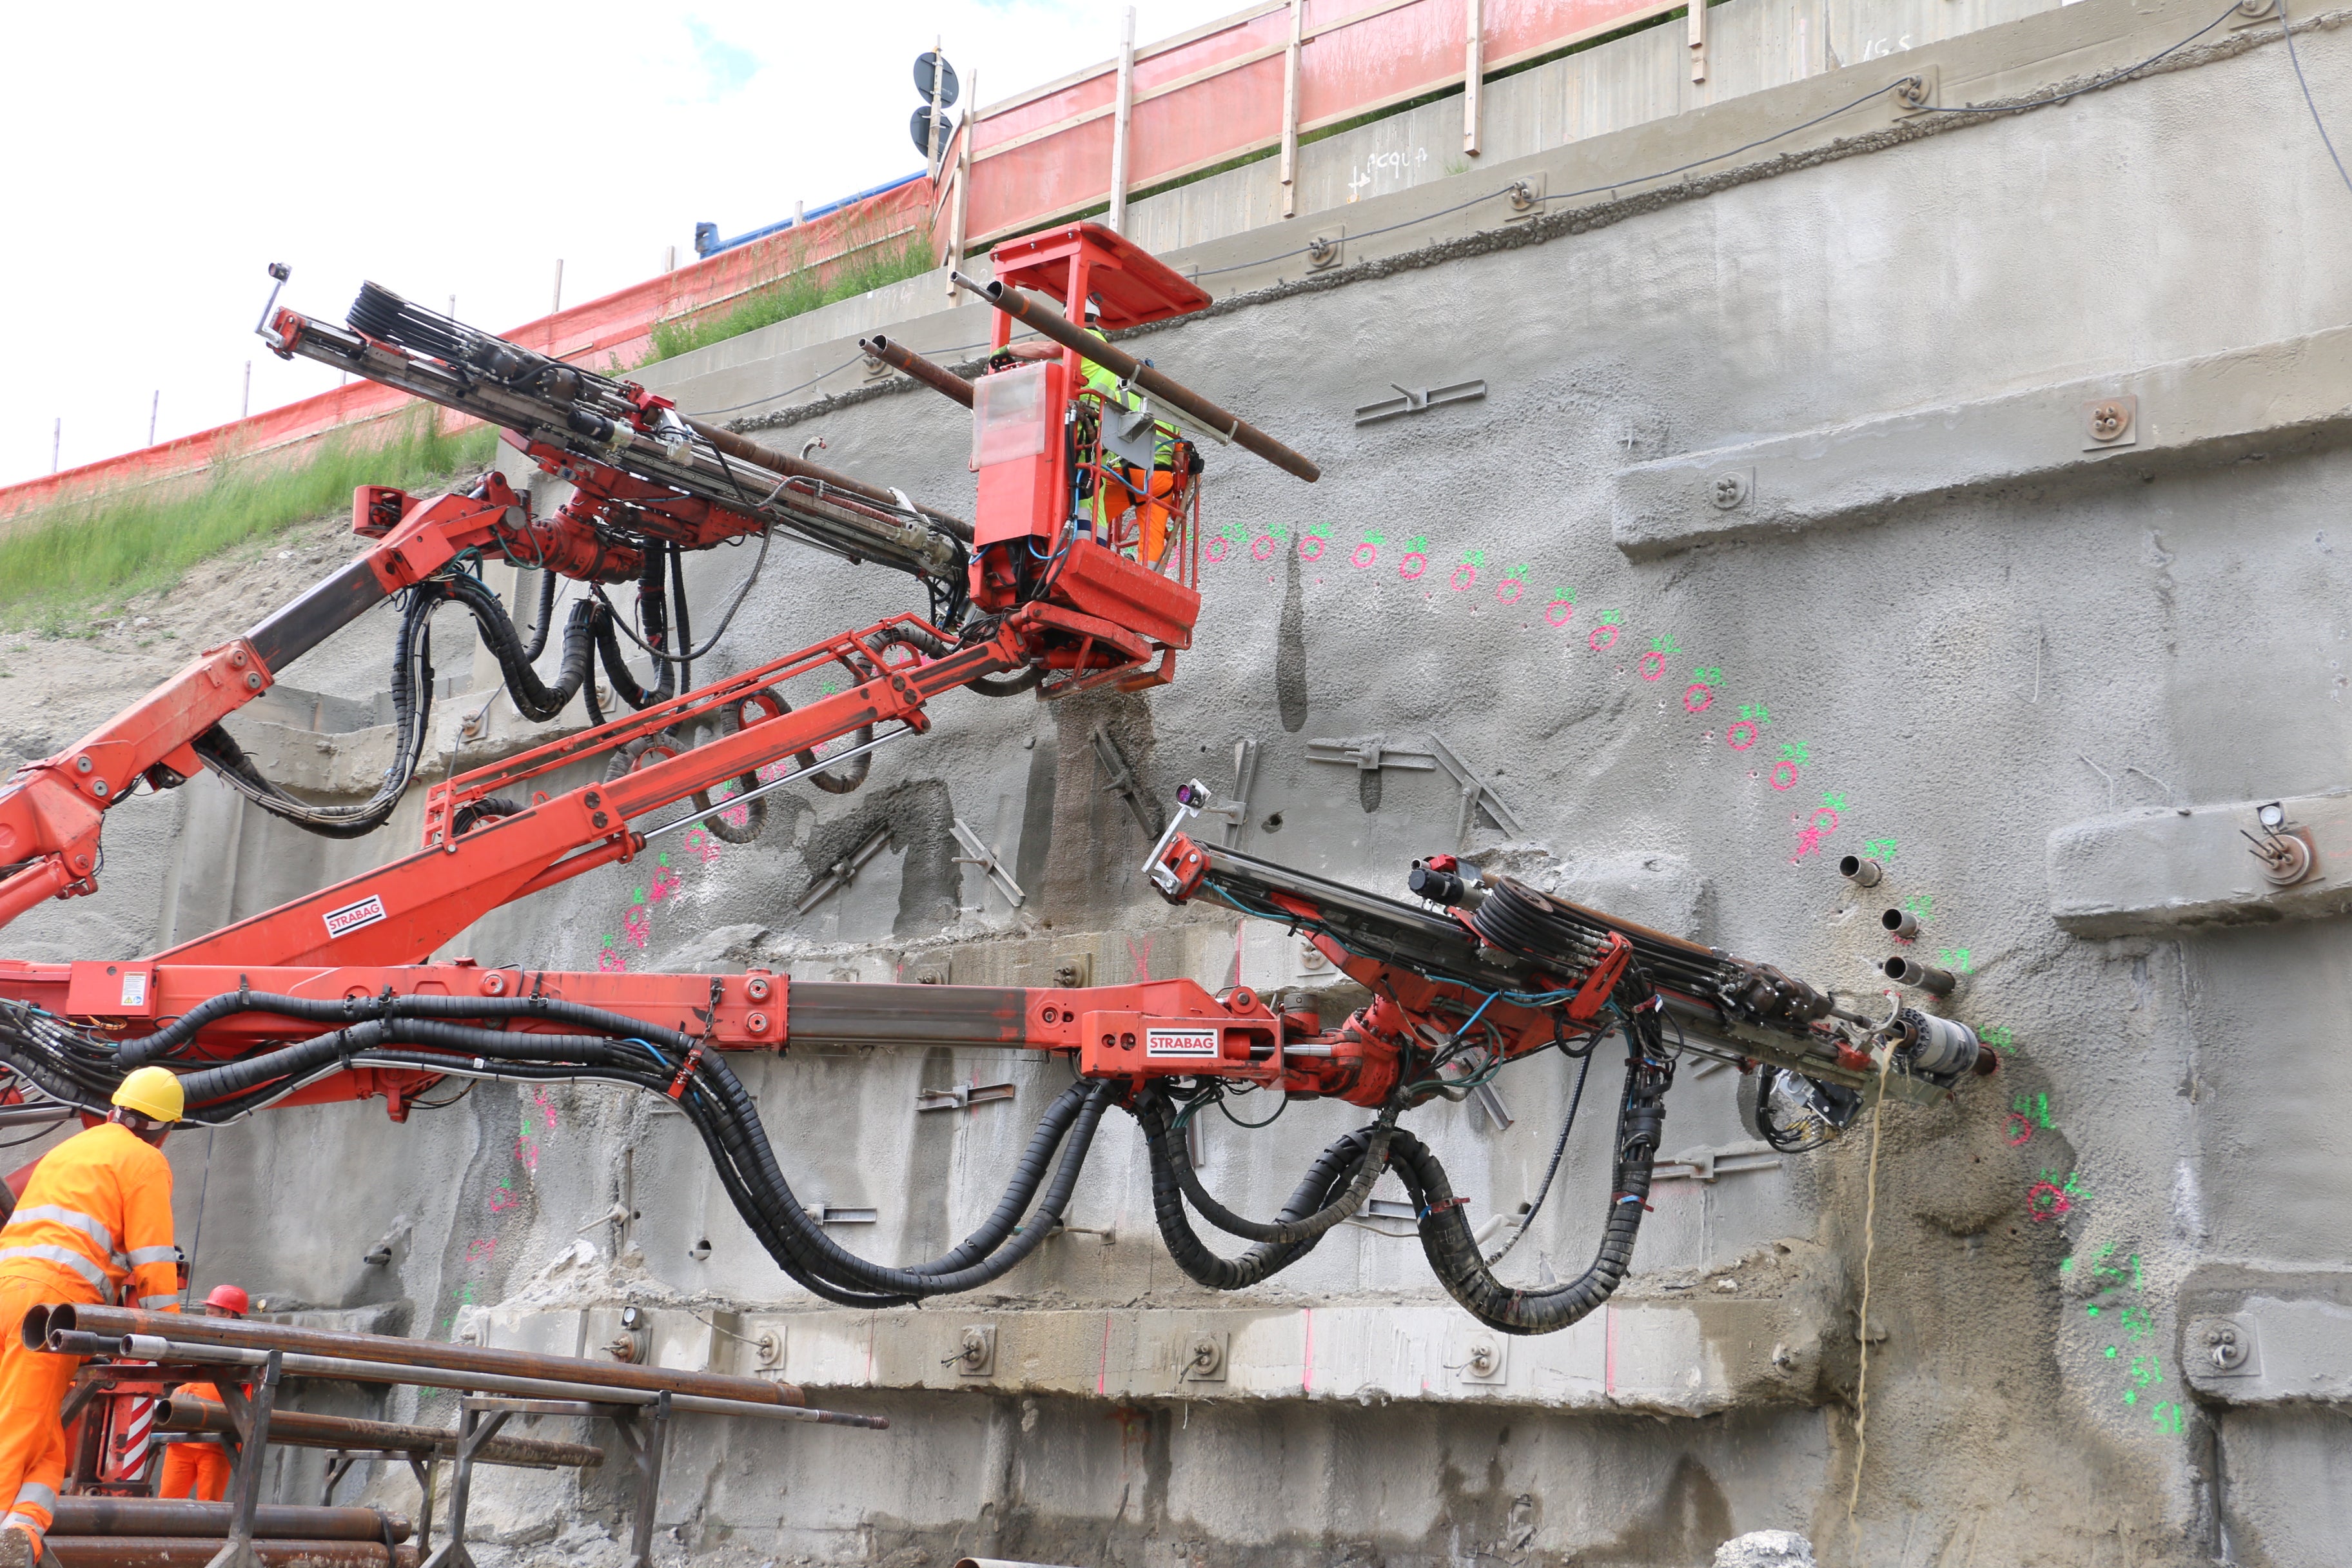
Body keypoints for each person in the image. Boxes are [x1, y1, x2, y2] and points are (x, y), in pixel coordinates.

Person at [0, 1068, 183, 1568]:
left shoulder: (68, 1150)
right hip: (48, 1308)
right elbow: (153, 1258)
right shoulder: (144, 1160)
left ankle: (20, 1531)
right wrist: (171, 1333)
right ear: (164, 1130)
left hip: (7, 1290)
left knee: (43, 1436)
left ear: (114, 1110)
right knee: (16, 1430)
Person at [153, 1285, 246, 1503]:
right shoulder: (205, 1340)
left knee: (209, 1507)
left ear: (227, 1313)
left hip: (216, 1442)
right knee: (167, 1502)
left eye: (210, 1312)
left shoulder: (245, 1347)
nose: (206, 1317)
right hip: (183, 1438)